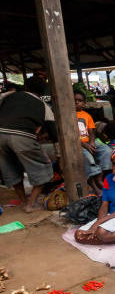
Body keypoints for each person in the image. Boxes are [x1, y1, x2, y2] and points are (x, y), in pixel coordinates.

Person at [0, 76, 55, 212]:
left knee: (11, 168)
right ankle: (30, 204)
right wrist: (58, 153)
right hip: (22, 137)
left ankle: (23, 200)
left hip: (0, 135)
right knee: (44, 167)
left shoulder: (9, 97)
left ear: (25, 87)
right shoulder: (44, 106)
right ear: (43, 92)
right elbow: (54, 132)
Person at [75, 90, 112, 195]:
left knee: (107, 151)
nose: (77, 102)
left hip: (89, 141)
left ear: (84, 103)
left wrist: (91, 142)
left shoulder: (87, 115)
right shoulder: (68, 116)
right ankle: (95, 186)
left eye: (80, 100)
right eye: (75, 100)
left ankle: (100, 178)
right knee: (88, 158)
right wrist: (85, 145)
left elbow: (91, 132)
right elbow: (71, 136)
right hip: (77, 144)